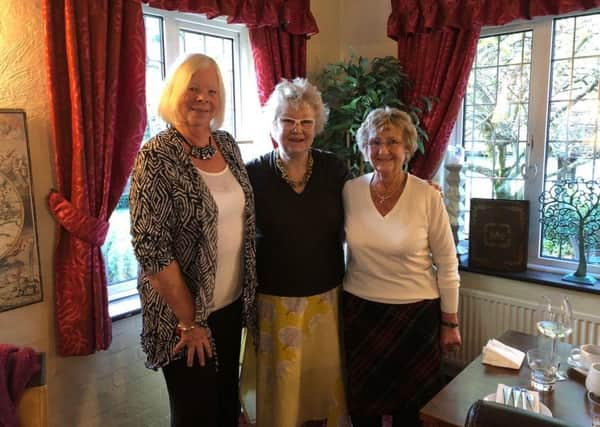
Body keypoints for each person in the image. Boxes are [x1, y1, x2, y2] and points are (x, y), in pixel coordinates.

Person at [129, 53, 256, 427]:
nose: (203, 98)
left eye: (212, 91)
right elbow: (150, 246)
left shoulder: (227, 145)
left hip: (229, 306)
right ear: (175, 93)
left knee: (224, 406)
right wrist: (191, 321)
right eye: (194, 89)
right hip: (181, 317)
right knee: (195, 414)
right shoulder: (156, 155)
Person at [240, 78, 350, 427]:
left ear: (317, 125)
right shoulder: (253, 173)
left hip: (325, 298)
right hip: (275, 301)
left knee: (323, 387)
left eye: (305, 122)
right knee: (282, 394)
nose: (297, 130)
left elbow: (368, 207)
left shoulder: (335, 169)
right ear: (274, 126)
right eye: (288, 121)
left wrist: (413, 192)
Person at [342, 107, 461, 427]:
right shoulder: (350, 191)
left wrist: (450, 321)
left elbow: (448, 262)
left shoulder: (427, 196)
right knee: (362, 409)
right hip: (360, 313)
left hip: (415, 316)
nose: (383, 150)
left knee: (410, 412)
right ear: (364, 148)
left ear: (408, 148)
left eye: (393, 142)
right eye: (375, 142)